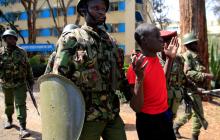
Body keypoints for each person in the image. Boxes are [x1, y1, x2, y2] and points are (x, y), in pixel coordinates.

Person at [52, 0, 127, 139]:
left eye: (103, 9)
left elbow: (120, 76)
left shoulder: (112, 42)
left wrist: (134, 97)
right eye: (96, 8)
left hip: (112, 113)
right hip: (85, 117)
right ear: (84, 10)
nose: (101, 12)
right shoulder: (71, 39)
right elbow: (58, 81)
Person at [129, 23, 179, 140]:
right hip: (149, 121)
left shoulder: (156, 59)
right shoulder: (137, 67)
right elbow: (136, 107)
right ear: (144, 40)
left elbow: (162, 81)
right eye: (157, 36)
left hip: (164, 115)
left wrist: (169, 59)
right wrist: (139, 78)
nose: (161, 39)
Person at [173, 32, 214, 140]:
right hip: (190, 90)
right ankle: (194, 136)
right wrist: (205, 75)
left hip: (196, 89)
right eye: (195, 43)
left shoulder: (195, 56)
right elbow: (187, 72)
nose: (197, 44)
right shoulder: (187, 57)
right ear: (189, 45)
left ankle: (175, 127)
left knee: (190, 113)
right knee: (198, 114)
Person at [0, 29, 34, 138]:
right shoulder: (0, 52)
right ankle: (9, 120)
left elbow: (28, 67)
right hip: (6, 84)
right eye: (9, 38)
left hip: (20, 83)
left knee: (21, 104)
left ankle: (22, 127)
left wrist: (31, 81)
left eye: (13, 38)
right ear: (5, 39)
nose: (12, 40)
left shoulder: (22, 52)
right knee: (8, 104)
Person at [159, 30, 185, 119]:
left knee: (169, 124)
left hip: (173, 102)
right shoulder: (153, 59)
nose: (168, 43)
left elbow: (182, 77)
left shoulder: (179, 59)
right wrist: (169, 59)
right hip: (158, 104)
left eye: (170, 40)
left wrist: (194, 87)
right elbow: (161, 81)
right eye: (164, 40)